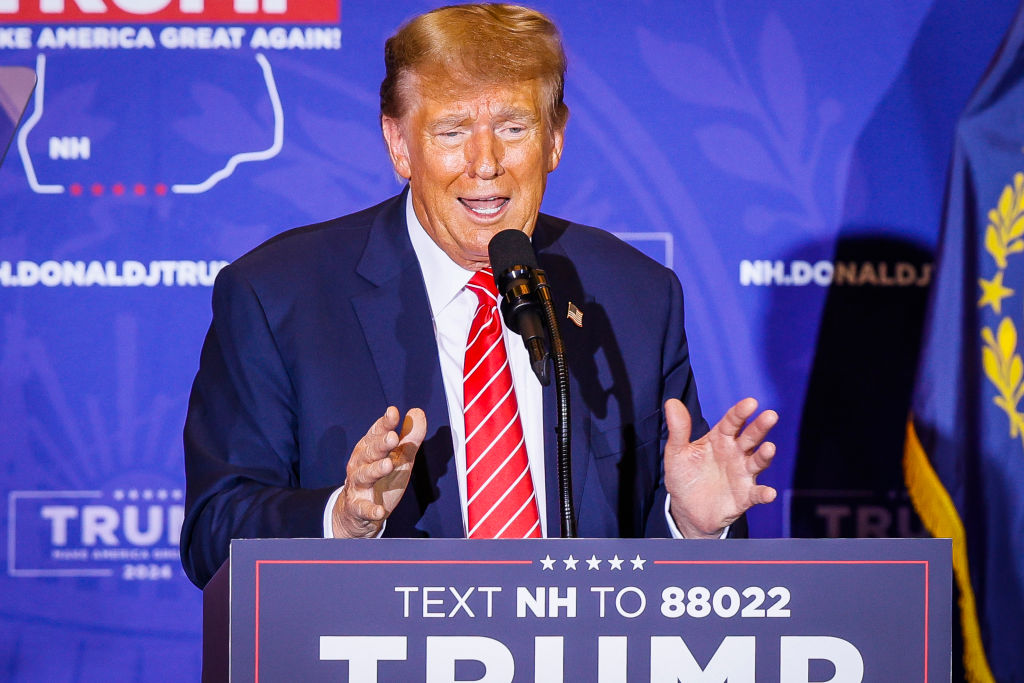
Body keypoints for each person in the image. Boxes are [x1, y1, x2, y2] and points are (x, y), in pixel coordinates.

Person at [180, 3, 778, 589]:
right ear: (398, 144)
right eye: (451, 130)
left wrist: (690, 529)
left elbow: (649, 559)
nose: (485, 163)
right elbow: (214, 534)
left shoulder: (636, 295)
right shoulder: (277, 294)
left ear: (554, 141)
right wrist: (344, 520)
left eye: (514, 128)